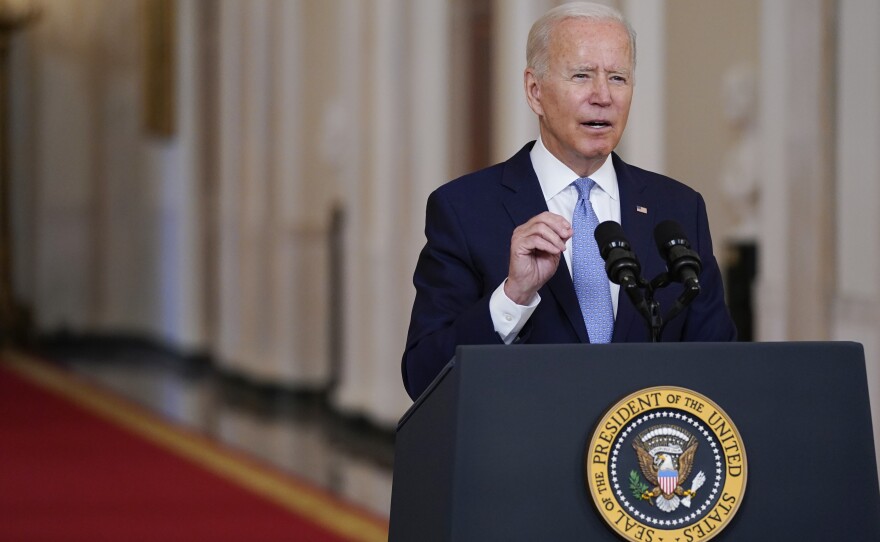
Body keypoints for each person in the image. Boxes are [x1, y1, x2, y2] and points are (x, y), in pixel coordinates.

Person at [402, 2, 736, 400]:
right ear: (534, 91)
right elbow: (423, 375)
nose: (603, 96)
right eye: (581, 76)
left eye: (618, 78)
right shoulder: (464, 209)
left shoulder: (678, 209)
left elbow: (720, 370)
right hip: (524, 458)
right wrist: (513, 296)